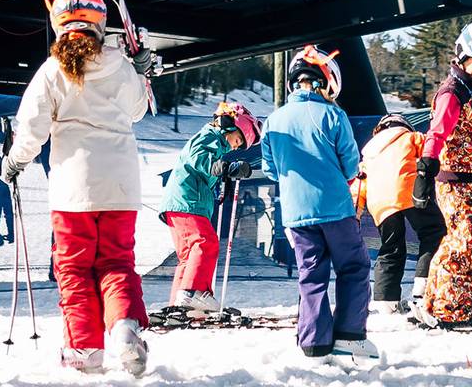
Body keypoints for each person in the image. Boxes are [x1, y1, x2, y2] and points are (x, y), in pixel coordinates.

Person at [1, 0, 158, 376]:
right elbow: (139, 111)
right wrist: (141, 73)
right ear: (101, 24)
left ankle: (85, 348)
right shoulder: (120, 65)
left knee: (73, 269)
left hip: (73, 190)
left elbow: (31, 130)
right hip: (121, 186)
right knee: (116, 262)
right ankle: (123, 327)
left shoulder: (52, 71)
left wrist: (13, 163)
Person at [259, 45, 382, 366]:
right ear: (326, 80)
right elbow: (351, 166)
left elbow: (272, 169)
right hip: (335, 210)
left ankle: (314, 343)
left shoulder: (273, 121)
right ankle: (350, 335)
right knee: (353, 267)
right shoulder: (333, 115)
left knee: (311, 274)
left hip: (296, 215)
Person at [413, 21, 472, 330]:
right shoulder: (453, 91)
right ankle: (452, 310)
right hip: (456, 179)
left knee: (467, 242)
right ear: (465, 52)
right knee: (465, 242)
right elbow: (437, 131)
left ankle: (437, 302)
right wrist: (426, 169)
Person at [158, 101, 259, 315]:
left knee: (188, 255)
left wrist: (223, 175)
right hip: (188, 202)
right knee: (205, 242)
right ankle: (194, 291)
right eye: (238, 140)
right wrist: (222, 167)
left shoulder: (216, 142)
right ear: (229, 125)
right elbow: (197, 158)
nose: (235, 146)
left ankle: (180, 305)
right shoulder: (210, 135)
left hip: (183, 203)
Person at [357, 113, 444, 314]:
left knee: (390, 247)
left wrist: (357, 212)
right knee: (433, 232)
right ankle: (424, 285)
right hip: (409, 191)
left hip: (379, 202)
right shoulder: (411, 137)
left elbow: (361, 182)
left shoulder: (369, 152)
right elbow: (433, 153)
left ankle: (386, 301)